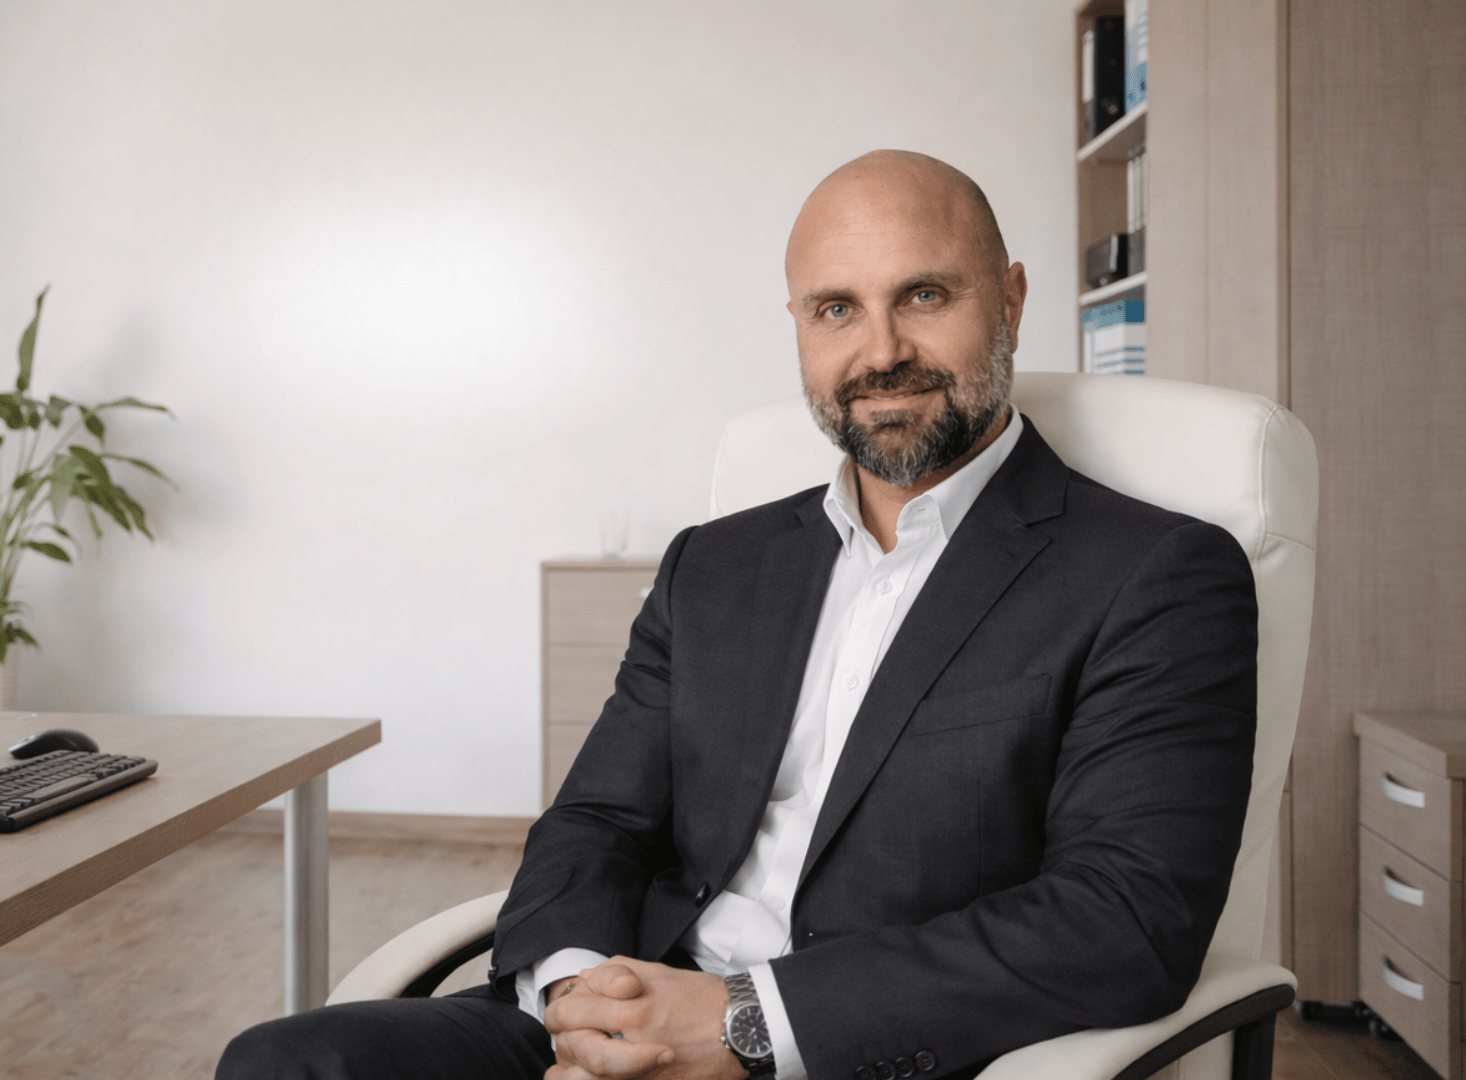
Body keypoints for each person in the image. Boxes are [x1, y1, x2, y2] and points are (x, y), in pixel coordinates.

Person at [217, 150, 1257, 1080]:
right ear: (800, 328)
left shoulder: (1154, 574)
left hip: (867, 1050)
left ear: (1014, 300)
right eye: (835, 309)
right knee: (289, 1061)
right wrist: (587, 1003)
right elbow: (599, 821)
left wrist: (745, 1022)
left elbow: (1122, 920)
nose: (881, 348)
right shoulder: (714, 565)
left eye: (925, 295)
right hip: (622, 1009)